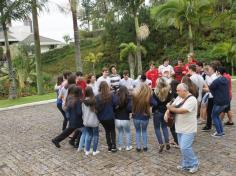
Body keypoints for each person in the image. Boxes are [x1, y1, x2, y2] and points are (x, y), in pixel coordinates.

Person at [166, 83, 199, 173]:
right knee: (182, 148)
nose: (176, 92)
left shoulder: (192, 99)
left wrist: (169, 108)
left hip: (189, 128)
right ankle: (186, 165)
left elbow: (182, 111)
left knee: (185, 147)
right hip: (179, 127)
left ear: (185, 91)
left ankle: (194, 163)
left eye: (178, 90)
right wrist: (167, 112)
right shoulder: (179, 97)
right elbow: (171, 105)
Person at [132, 83, 156, 152]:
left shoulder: (135, 96)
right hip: (145, 116)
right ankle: (145, 147)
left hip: (136, 116)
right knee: (144, 131)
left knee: (137, 131)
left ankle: (138, 147)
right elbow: (155, 103)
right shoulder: (148, 96)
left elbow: (130, 106)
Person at [96, 81, 117, 152]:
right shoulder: (111, 95)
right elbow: (115, 104)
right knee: (112, 130)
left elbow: (96, 108)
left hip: (102, 117)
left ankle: (109, 146)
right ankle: (113, 145)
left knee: (107, 131)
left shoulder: (97, 96)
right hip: (110, 116)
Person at [209, 67, 230, 137]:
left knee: (214, 116)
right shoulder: (226, 79)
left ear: (218, 72)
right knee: (216, 115)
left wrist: (214, 94)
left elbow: (211, 87)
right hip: (226, 101)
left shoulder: (217, 81)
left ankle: (219, 132)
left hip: (219, 101)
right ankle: (221, 131)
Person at [152, 78, 172, 153]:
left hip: (157, 112)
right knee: (164, 127)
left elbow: (153, 103)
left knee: (157, 128)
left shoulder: (155, 92)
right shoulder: (168, 91)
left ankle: (161, 144)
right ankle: (167, 142)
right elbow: (170, 101)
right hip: (165, 112)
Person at [82, 87, 100, 156]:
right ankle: (94, 151)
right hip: (94, 121)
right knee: (95, 136)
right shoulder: (94, 101)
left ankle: (87, 150)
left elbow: (82, 112)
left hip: (86, 121)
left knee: (89, 135)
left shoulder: (83, 102)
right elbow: (97, 111)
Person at [114, 86, 132, 151]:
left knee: (120, 132)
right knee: (127, 132)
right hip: (125, 118)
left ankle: (120, 146)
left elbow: (114, 108)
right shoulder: (128, 98)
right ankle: (128, 146)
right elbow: (130, 109)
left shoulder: (116, 98)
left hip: (117, 119)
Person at [201, 64, 218, 132]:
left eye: (209, 69)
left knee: (211, 111)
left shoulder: (214, 77)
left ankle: (209, 125)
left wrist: (204, 88)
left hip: (213, 96)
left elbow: (212, 88)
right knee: (209, 110)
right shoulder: (208, 76)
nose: (205, 73)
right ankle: (209, 125)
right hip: (210, 95)